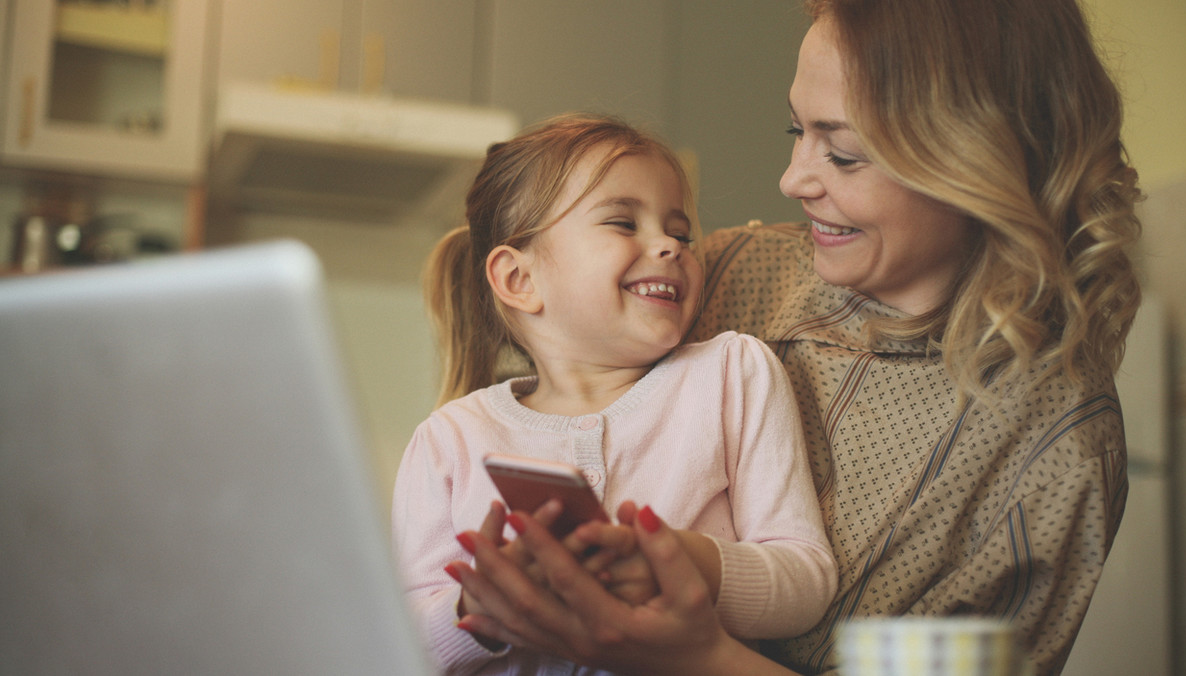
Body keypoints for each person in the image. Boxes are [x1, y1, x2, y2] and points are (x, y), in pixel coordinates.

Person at [446, 0, 1143, 674]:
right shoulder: (731, 275)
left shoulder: (1052, 450)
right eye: (796, 133)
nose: (791, 180)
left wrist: (698, 660)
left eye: (842, 154)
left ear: (980, 161)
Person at [392, 113, 837, 675]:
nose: (671, 247)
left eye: (680, 232)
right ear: (519, 280)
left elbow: (806, 583)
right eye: (624, 223)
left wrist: (690, 564)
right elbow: (396, 643)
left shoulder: (732, 374)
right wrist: (476, 608)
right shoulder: (449, 439)